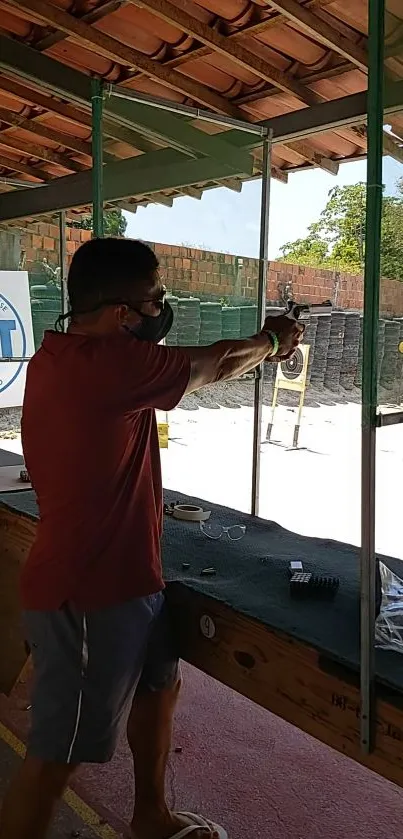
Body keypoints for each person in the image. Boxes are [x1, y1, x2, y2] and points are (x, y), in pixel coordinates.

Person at [0, 238, 303, 839]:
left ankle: (151, 817)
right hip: (89, 590)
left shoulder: (65, 354)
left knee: (160, 685)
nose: (163, 308)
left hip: (130, 576)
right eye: (156, 299)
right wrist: (272, 342)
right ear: (121, 314)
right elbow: (215, 363)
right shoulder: (109, 365)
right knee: (57, 756)